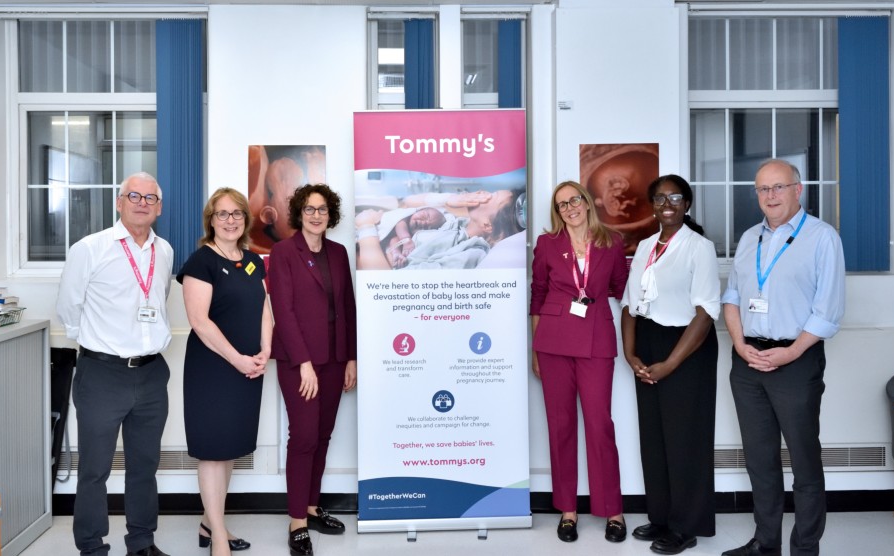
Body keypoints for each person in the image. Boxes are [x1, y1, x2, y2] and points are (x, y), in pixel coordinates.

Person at [721, 159, 845, 556]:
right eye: (762, 189)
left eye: (778, 187)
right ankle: (765, 543)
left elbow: (828, 311)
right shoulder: (748, 239)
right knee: (760, 461)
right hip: (747, 361)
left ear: (798, 189)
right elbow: (732, 298)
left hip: (795, 360)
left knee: (805, 463)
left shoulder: (822, 238)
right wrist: (740, 346)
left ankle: (805, 549)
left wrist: (790, 352)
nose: (770, 196)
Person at [56, 172, 173, 556]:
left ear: (158, 208)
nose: (142, 202)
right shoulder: (89, 248)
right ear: (119, 202)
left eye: (150, 198)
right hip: (101, 374)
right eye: (133, 195)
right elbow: (68, 309)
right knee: (94, 471)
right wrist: (101, 347)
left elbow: (158, 302)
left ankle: (141, 542)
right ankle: (91, 548)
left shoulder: (165, 251)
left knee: (144, 467)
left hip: (151, 374)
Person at [620, 175, 720, 555]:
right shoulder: (646, 245)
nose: (667, 204)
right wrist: (631, 356)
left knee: (685, 438)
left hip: (686, 347)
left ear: (687, 203)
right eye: (660, 198)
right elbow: (630, 306)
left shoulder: (699, 248)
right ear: (652, 205)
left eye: (675, 197)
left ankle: (686, 525)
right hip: (646, 342)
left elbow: (706, 312)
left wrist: (670, 363)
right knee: (655, 437)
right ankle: (661, 516)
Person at [529, 180, 628, 544]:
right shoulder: (547, 244)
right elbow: (537, 293)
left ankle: (612, 510)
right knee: (561, 425)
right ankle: (568, 510)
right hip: (553, 342)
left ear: (586, 203)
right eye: (561, 205)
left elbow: (620, 286)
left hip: (597, 340)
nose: (569, 208)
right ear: (557, 213)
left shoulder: (612, 243)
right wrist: (535, 347)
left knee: (600, 424)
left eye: (574, 201)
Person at [177, 188, 273, 555]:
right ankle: (218, 535)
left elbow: (265, 307)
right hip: (213, 369)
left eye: (237, 214)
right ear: (211, 220)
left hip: (249, 367)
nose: (230, 220)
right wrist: (237, 359)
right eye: (222, 214)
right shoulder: (201, 261)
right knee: (213, 451)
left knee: (229, 448)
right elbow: (199, 322)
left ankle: (209, 522)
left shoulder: (253, 260)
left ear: (245, 220)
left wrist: (265, 350)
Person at [269, 183, 357, 556]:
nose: (316, 215)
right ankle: (297, 522)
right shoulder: (284, 252)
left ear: (330, 214)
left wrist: (351, 357)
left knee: (322, 436)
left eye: (322, 209)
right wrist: (304, 363)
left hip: (336, 358)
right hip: (299, 361)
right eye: (309, 209)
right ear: (299, 214)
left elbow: (348, 307)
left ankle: (310, 505)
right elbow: (283, 312)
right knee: (303, 437)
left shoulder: (338, 253)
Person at [355, 189, 524, 270]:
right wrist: (449, 199)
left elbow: (382, 281)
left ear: (488, 225)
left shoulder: (469, 254)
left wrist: (366, 227)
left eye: (491, 197)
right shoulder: (456, 222)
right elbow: (407, 202)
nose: (483, 193)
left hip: (364, 256)